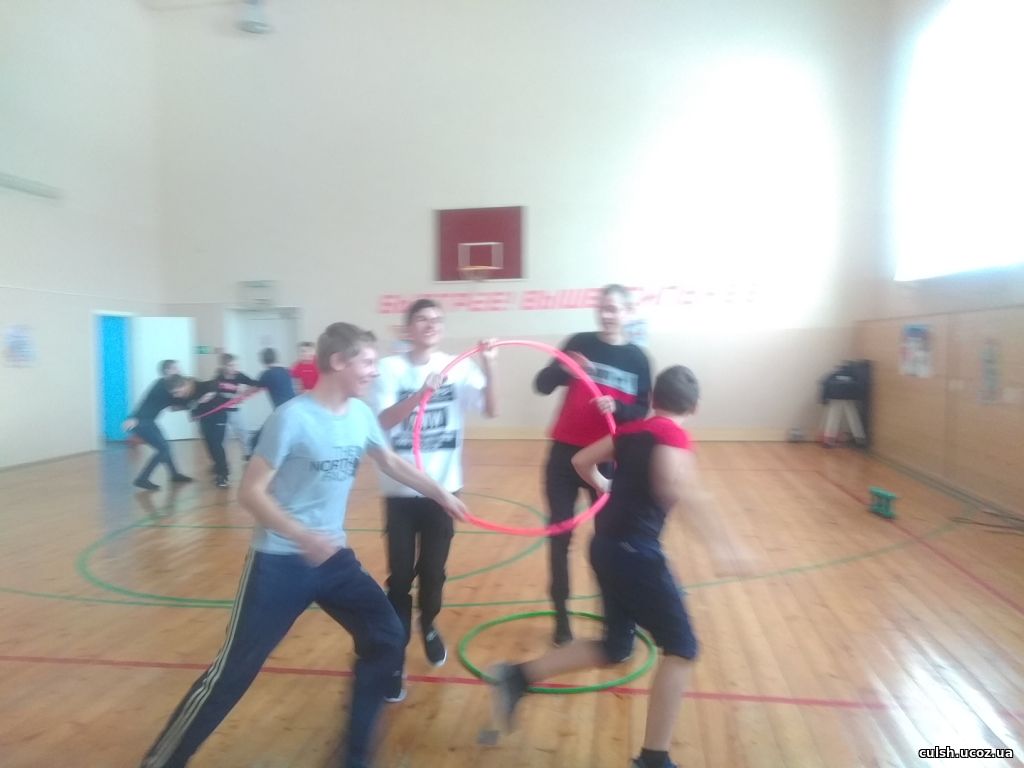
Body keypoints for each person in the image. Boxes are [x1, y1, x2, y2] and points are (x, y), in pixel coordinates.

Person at [139, 322, 469, 768]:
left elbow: (391, 461)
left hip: (332, 560)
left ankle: (354, 758)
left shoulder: (360, 414)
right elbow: (250, 493)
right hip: (280, 563)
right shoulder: (291, 418)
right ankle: (161, 760)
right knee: (232, 672)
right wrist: (300, 535)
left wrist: (440, 492)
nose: (374, 371)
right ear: (338, 362)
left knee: (387, 636)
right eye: (367, 362)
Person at [490, 365, 704, 768]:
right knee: (682, 648)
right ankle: (654, 758)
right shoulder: (672, 435)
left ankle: (517, 676)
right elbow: (669, 487)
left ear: (653, 399)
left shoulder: (630, 432)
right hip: (637, 554)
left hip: (606, 548)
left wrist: (606, 486)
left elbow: (581, 460)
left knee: (615, 646)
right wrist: (721, 539)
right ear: (693, 408)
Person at [372, 299, 496, 700]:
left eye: (437, 319)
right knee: (400, 575)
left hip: (444, 489)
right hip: (400, 489)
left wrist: (489, 365)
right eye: (422, 319)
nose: (431, 324)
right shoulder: (389, 368)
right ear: (408, 328)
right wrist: (419, 395)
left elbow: (491, 410)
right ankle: (395, 649)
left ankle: (428, 624)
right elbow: (381, 422)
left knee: (433, 570)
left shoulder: (458, 366)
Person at [533, 283, 652, 645]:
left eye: (614, 308)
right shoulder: (579, 342)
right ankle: (561, 619)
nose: (607, 314)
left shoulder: (637, 358)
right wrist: (565, 369)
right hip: (563, 457)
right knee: (560, 537)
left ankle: (613, 617)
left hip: (608, 458)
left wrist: (619, 408)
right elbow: (541, 385)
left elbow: (641, 410)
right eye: (602, 307)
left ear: (627, 312)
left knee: (609, 541)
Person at [122, 366, 194, 491]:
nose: (178, 371)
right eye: (174, 368)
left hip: (148, 421)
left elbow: (174, 406)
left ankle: (174, 474)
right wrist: (135, 419)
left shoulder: (166, 386)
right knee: (163, 449)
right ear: (167, 371)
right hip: (141, 422)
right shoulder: (162, 388)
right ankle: (142, 479)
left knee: (165, 447)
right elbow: (148, 404)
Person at [213, 353, 259, 460]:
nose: (234, 368)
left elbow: (254, 383)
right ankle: (221, 460)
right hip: (222, 413)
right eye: (231, 365)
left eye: (235, 365)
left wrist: (246, 392)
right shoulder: (218, 378)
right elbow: (215, 393)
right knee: (223, 437)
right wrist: (234, 392)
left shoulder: (239, 375)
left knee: (243, 432)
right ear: (224, 366)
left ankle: (248, 455)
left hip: (235, 410)